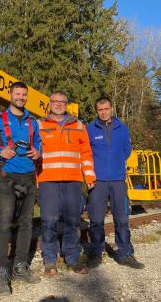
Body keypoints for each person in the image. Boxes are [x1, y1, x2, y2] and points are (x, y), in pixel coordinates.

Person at [0, 81, 41, 295]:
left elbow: (40, 143)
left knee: (26, 223)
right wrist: (0, 152)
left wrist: (38, 152)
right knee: (4, 222)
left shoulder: (32, 121)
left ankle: (20, 267)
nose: (21, 97)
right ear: (10, 95)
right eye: (17, 94)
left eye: (24, 95)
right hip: (6, 176)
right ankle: (1, 274)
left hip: (28, 176)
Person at [37, 91, 95, 276]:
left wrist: (89, 176)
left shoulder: (78, 125)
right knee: (48, 221)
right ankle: (50, 261)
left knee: (72, 220)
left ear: (67, 104)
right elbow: (34, 154)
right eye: (55, 101)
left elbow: (86, 153)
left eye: (62, 102)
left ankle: (72, 258)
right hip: (47, 180)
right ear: (50, 103)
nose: (58, 104)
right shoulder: (39, 125)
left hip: (72, 180)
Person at [86, 96, 144, 269]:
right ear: (97, 111)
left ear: (112, 109)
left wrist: (116, 166)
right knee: (96, 219)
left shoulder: (122, 129)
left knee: (122, 219)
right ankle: (96, 253)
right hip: (98, 182)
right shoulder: (89, 129)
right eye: (100, 110)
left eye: (106, 109)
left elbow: (126, 151)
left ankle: (125, 254)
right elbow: (86, 153)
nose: (103, 112)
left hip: (118, 180)